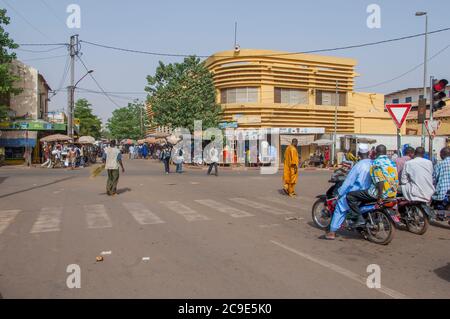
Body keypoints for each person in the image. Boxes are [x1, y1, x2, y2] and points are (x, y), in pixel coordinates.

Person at [325, 143, 373, 240]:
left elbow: (348, 182)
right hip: (370, 191)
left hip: (356, 192)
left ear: (359, 153)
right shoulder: (373, 163)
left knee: (340, 206)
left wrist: (339, 193)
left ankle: (332, 232)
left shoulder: (358, 166)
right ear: (369, 153)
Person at [346, 144, 398, 224]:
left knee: (350, 196)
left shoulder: (376, 163)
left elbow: (380, 181)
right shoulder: (392, 162)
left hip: (378, 193)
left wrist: (380, 198)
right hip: (392, 193)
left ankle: (359, 219)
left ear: (376, 152)